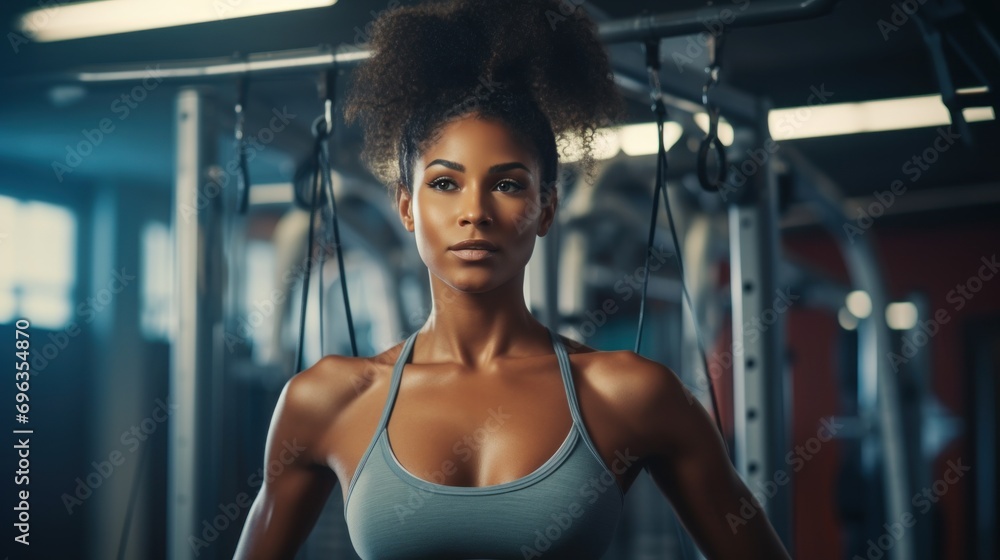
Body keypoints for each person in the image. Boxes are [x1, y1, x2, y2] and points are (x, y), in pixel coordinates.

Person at [234, 0, 793, 558]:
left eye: (507, 185)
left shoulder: (628, 393)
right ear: (407, 207)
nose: (474, 211)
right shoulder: (327, 400)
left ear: (546, 208)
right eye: (445, 184)